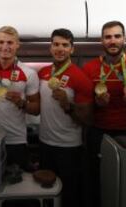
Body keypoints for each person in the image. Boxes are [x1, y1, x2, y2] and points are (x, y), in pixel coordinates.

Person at [82, 21, 126, 207]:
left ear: (124, 39)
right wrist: (96, 103)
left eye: (117, 36)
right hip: (98, 132)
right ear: (101, 40)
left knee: (125, 180)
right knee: (96, 179)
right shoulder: (89, 68)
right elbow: (85, 106)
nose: (113, 41)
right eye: (108, 37)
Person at [38, 28, 93, 207]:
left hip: (69, 147)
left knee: (69, 194)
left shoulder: (80, 78)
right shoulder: (43, 73)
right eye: (56, 44)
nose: (59, 48)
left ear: (72, 49)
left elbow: (87, 119)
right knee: (45, 192)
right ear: (50, 47)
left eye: (64, 45)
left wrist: (68, 105)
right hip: (45, 142)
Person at [0, 26, 40, 170]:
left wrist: (21, 102)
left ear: (17, 45)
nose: (5, 47)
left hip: (16, 139)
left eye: (10, 43)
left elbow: (36, 109)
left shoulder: (29, 73)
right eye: (1, 42)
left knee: (17, 184)